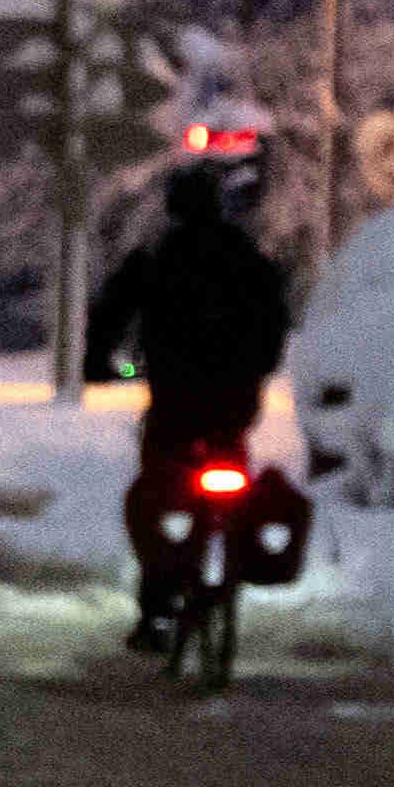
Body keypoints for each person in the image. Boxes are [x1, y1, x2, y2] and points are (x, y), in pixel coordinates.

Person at [83, 156, 293, 644]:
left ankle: (157, 602)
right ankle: (237, 550)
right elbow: (274, 316)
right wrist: (259, 366)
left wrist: (98, 363)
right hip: (235, 401)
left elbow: (112, 311)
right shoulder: (246, 256)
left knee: (156, 491)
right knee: (233, 464)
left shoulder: (157, 255)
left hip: (174, 402)